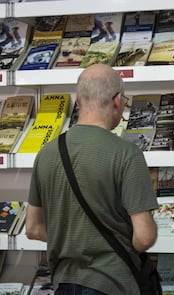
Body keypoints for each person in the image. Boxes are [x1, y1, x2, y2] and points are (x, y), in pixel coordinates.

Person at [25, 63, 159, 295]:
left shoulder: (46, 154)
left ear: (78, 100)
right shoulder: (126, 154)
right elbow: (144, 237)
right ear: (118, 100)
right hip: (112, 283)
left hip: (63, 283)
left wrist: (73, 240)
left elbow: (33, 228)